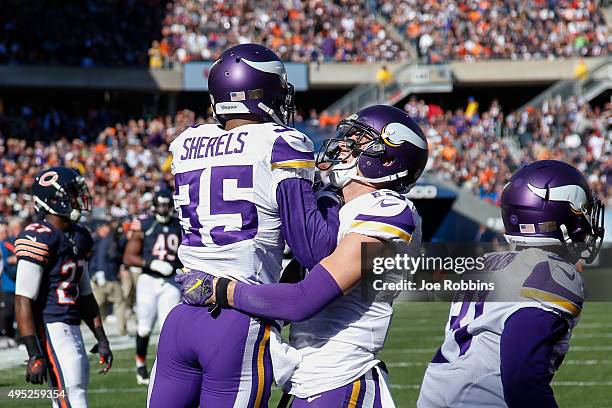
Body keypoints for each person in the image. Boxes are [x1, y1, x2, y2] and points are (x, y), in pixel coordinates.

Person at [176, 105, 430, 407]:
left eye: (358, 140)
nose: (343, 144)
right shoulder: (334, 209)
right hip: (305, 382)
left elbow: (301, 300)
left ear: (387, 160)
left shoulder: (389, 210)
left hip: (342, 382)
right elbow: (282, 299)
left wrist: (220, 289)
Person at [147, 43, 340, 408]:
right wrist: (329, 195)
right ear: (260, 91)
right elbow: (313, 249)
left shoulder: (186, 143)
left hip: (182, 315)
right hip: (238, 317)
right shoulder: (282, 143)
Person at [416, 160, 605, 408]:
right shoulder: (551, 275)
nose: (587, 222)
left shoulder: (489, 262)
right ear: (557, 216)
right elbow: (522, 381)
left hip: (439, 396)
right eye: (581, 211)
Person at [14, 167, 113, 407]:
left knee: (76, 392)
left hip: (72, 324)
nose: (77, 199)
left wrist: (101, 338)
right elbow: (23, 299)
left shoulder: (80, 235)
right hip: (51, 326)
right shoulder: (39, 235)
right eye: (70, 194)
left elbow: (85, 293)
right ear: (52, 200)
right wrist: (34, 353)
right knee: (69, 395)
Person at [122, 189, 183, 385]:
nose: (164, 209)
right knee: (144, 327)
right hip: (148, 280)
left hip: (171, 281)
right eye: (161, 205)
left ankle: (165, 367)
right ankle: (140, 365)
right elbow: (128, 256)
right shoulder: (146, 224)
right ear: (154, 206)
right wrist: (151, 263)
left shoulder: (179, 225)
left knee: (168, 328)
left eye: (167, 205)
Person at [90, 220, 127, 336]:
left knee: (99, 305)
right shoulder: (108, 240)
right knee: (117, 303)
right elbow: (109, 255)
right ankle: (120, 330)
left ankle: (99, 332)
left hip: (102, 276)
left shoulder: (104, 239)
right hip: (107, 276)